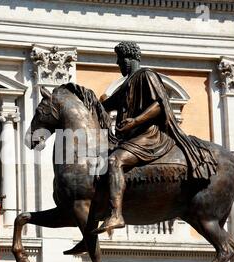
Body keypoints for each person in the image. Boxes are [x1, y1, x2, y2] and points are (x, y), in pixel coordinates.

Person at [92, 41, 217, 235]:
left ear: (128, 58)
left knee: (114, 160)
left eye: (119, 59)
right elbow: (104, 107)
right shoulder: (126, 85)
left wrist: (135, 121)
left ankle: (116, 214)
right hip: (130, 139)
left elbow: (159, 104)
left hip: (149, 136)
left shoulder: (146, 76)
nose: (117, 64)